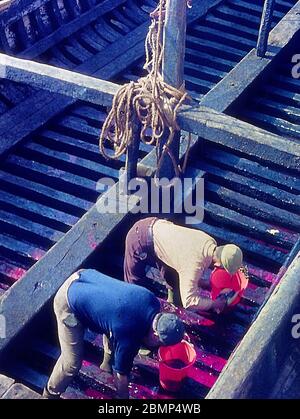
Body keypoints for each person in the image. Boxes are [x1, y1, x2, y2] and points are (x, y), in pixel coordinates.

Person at [43, 269, 185, 399]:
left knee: (111, 323)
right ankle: (49, 394)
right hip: (68, 300)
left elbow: (116, 319)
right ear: (155, 335)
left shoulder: (152, 300)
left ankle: (106, 363)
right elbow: (121, 377)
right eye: (160, 343)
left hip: (86, 276)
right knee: (71, 363)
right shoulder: (129, 335)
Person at [124, 217, 243, 313]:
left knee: (173, 274)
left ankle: (173, 302)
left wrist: (203, 283)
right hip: (138, 238)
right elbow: (189, 301)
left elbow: (186, 262)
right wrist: (214, 303)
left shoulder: (210, 241)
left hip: (159, 227)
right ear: (217, 263)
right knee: (134, 286)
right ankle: (135, 314)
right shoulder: (194, 265)